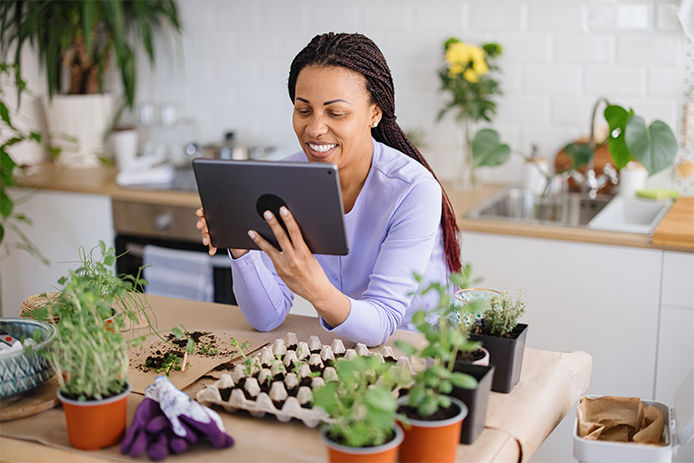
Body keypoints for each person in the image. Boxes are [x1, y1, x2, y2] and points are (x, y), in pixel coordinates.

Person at [196, 32, 461, 346]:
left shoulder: (412, 190)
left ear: (374, 113)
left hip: (417, 352)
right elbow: (265, 318)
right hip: (345, 351)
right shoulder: (284, 179)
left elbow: (383, 322)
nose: (315, 128)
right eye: (303, 110)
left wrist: (313, 287)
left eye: (336, 113)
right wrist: (239, 242)